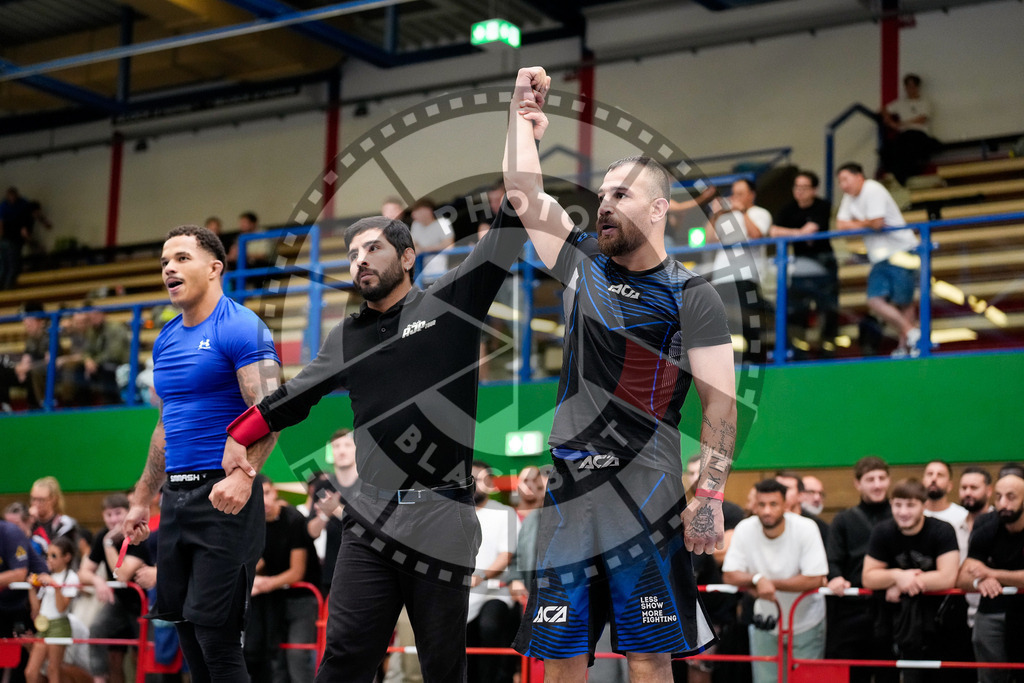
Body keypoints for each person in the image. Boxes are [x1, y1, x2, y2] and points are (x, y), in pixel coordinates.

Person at [220, 106, 539, 680]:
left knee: (442, 665)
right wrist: (239, 437)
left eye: (374, 249)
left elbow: (514, 220)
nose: (360, 259)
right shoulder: (347, 335)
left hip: (442, 515)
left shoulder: (450, 302)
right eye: (353, 253)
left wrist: (522, 130)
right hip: (369, 517)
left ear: (409, 257)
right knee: (345, 657)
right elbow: (295, 396)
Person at [503, 66, 737, 681]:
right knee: (558, 660)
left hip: (647, 489)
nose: (604, 205)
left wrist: (709, 498)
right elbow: (524, 191)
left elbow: (721, 407)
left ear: (659, 209)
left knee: (649, 659)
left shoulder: (693, 295)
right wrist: (520, 117)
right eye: (602, 195)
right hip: (571, 490)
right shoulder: (581, 263)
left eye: (621, 196)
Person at [121, 224, 282, 683]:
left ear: (215, 268)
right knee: (187, 631)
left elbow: (273, 409)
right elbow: (162, 429)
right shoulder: (166, 340)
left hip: (224, 498)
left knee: (217, 638)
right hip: (176, 500)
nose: (169, 267)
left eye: (181, 258)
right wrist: (141, 499)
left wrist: (244, 476)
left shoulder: (243, 326)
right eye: (164, 262)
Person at [723, 479, 827, 683]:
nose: (767, 511)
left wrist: (769, 584)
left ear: (785, 505)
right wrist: (757, 579)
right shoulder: (745, 528)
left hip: (807, 622)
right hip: (765, 623)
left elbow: (815, 578)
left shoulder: (806, 527)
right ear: (754, 505)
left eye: (773, 504)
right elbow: (729, 574)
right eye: (761, 504)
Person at [862, 479, 961, 683]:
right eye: (898, 505)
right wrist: (897, 576)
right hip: (894, 622)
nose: (903, 512)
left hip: (938, 622)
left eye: (910, 505)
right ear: (891, 505)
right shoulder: (883, 531)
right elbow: (868, 577)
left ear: (924, 506)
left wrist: (903, 584)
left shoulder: (942, 530)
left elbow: (948, 576)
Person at [834, 162, 921, 357]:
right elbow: (841, 225)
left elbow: (878, 223)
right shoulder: (849, 197)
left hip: (902, 251)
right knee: (874, 300)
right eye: (840, 182)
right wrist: (867, 223)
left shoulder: (873, 189)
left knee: (904, 302)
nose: (843, 186)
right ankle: (913, 334)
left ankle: (906, 347)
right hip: (880, 256)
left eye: (845, 179)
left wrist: (857, 224)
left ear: (859, 177)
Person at [825, 456, 896, 683]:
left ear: (888, 480)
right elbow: (832, 559)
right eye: (870, 479)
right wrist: (835, 578)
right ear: (858, 483)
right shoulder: (843, 520)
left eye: (881, 478)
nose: (877, 484)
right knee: (854, 674)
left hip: (891, 612)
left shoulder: (900, 516)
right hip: (851, 612)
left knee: (889, 674)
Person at [244, 476, 317, 683]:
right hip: (272, 600)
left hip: (301, 597)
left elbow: (297, 572)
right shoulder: (253, 523)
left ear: (275, 491)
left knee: (297, 655)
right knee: (272, 657)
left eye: (266, 493)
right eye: (257, 496)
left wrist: (262, 584)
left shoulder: (293, 519)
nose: (264, 501)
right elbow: (256, 562)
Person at [957, 472, 1024, 683]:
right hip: (992, 611)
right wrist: (980, 581)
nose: (1003, 503)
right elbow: (962, 577)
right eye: (998, 497)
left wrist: (992, 573)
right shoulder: (987, 524)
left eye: (1011, 497)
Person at [77, 493, 152, 683]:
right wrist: (97, 581)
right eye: (108, 515)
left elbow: (123, 574)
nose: (113, 519)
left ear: (128, 513)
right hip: (119, 602)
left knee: (142, 656)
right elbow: (83, 572)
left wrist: (109, 545)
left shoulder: (138, 535)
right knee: (98, 632)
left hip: (144, 605)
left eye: (118, 513)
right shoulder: (102, 535)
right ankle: (99, 678)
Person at [768, 171, 839, 357]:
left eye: (804, 188)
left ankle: (827, 348)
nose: (799, 191)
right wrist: (799, 232)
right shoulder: (787, 208)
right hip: (799, 264)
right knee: (796, 308)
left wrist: (793, 233)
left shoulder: (822, 205)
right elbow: (773, 231)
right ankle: (798, 350)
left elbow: (811, 231)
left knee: (827, 307)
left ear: (814, 190)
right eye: (796, 187)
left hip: (823, 262)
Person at [707, 178, 772, 361]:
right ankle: (723, 361)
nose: (736, 198)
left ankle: (754, 360)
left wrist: (742, 211)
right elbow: (709, 239)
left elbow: (757, 234)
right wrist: (716, 214)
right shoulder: (726, 216)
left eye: (741, 194)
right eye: (734, 194)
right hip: (722, 276)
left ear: (752, 195)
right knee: (720, 322)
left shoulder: (760, 213)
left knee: (749, 321)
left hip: (746, 276)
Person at [466, 462, 520, 683]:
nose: (474, 485)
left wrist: (480, 576)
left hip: (494, 592)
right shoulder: (455, 515)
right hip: (462, 594)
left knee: (490, 628)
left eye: (479, 479)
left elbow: (505, 555)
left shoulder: (504, 513)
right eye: (470, 479)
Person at [25, 536, 79, 683]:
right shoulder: (50, 576)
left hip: (59, 625)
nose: (49, 559)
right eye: (48, 555)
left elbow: (61, 608)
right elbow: (36, 610)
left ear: (67, 557)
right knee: (31, 672)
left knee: (53, 670)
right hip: (44, 624)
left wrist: (54, 586)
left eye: (54, 556)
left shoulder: (71, 577)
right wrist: (31, 588)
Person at [880, 74, 938, 185]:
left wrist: (901, 124)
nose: (910, 89)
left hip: (919, 134)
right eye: (908, 86)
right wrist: (889, 121)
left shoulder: (925, 102)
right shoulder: (900, 103)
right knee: (888, 149)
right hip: (904, 135)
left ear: (917, 87)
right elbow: (883, 109)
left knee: (909, 146)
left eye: (912, 86)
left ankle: (905, 177)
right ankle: (896, 176)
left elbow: (922, 119)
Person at [922, 460, 969, 557]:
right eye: (930, 474)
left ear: (950, 486)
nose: (934, 478)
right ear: (922, 482)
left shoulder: (963, 516)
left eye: (940, 475)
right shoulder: (913, 515)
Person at [408, 198, 455, 283]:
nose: (413, 215)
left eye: (417, 211)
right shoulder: (415, 224)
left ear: (428, 211)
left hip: (442, 268)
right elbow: (413, 244)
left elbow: (449, 244)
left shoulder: (444, 223)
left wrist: (424, 249)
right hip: (421, 270)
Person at [775, 470, 828, 545]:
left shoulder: (817, 526)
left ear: (800, 495)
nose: (780, 493)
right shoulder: (766, 521)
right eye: (776, 489)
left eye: (786, 489)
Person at [28, 477, 78, 551]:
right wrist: (28, 523)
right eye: (33, 499)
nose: (36, 504)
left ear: (53, 499)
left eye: (41, 500)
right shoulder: (28, 523)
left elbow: (56, 553)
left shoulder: (64, 524)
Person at [0, 187, 34, 290]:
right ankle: (6, 286)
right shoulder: (4, 206)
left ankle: (7, 285)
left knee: (11, 264)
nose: (12, 198)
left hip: (14, 239)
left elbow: (25, 223)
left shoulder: (22, 205)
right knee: (8, 264)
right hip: (8, 239)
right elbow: (1, 223)